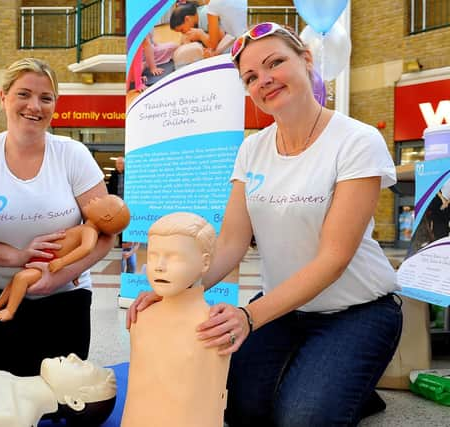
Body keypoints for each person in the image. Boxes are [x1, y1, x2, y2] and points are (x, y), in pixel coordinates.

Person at [128, 22, 403, 426]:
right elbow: (232, 243)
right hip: (282, 308)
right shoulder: (252, 149)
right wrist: (180, 289)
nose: (265, 81)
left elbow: (334, 258)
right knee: (239, 406)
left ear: (306, 60)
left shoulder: (356, 140)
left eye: (275, 63)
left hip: (357, 309)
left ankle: (352, 387)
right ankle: (335, 382)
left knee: (302, 418)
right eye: (251, 77)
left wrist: (249, 317)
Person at [0, 58, 114, 377]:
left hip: (66, 295)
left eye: (45, 98)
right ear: (3, 97)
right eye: (23, 94)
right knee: (1, 392)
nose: (34, 106)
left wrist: (59, 276)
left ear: (55, 104)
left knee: (62, 396)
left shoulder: (72, 155)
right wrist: (18, 257)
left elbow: (106, 233)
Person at [122, 212, 230, 427]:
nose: (159, 266)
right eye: (152, 256)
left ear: (205, 262)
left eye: (175, 257)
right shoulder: (141, 316)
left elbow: (209, 400)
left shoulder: (212, 326)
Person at [0, 194, 130, 321]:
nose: (95, 199)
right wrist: (75, 273)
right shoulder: (85, 227)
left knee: (21, 279)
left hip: (49, 264)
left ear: (106, 216)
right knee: (15, 281)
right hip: (46, 256)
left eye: (101, 201)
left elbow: (86, 249)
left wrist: (62, 262)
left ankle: (9, 311)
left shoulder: (90, 232)